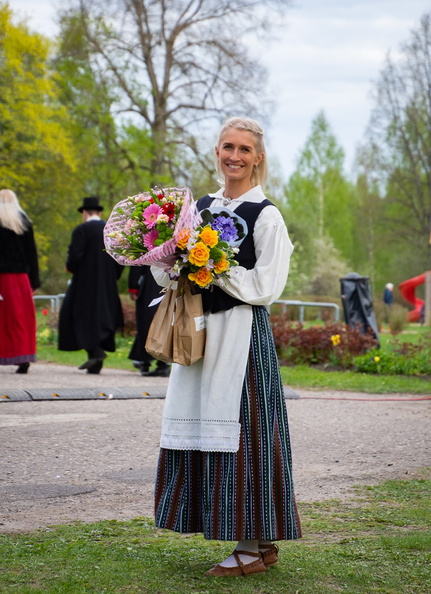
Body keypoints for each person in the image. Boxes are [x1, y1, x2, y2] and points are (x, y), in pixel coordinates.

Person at [151, 117, 301, 577]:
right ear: (216, 151)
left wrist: (215, 266)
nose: (234, 156)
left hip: (240, 334)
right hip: (200, 331)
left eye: (243, 149)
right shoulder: (198, 208)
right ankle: (257, 542)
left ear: (258, 157)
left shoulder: (266, 214)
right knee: (205, 426)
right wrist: (162, 253)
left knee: (247, 433)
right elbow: (173, 277)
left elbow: (267, 285)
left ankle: (252, 547)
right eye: (226, 147)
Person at [58, 196, 124, 374]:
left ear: (85, 213)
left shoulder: (82, 230)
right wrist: (112, 276)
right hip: (107, 283)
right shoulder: (111, 230)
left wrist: (71, 267)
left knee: (82, 316)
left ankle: (95, 353)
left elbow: (75, 257)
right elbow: (121, 258)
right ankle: (95, 361)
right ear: (100, 212)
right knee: (103, 316)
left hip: (85, 283)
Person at [0, 189, 40, 374]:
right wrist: (35, 281)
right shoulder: (23, 222)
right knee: (22, 319)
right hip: (21, 278)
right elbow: (32, 253)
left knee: (3, 319)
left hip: (2, 278)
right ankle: (23, 358)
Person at [128, 266, 170, 377]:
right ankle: (163, 363)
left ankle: (145, 361)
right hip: (168, 284)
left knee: (146, 323)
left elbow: (137, 264)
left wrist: (133, 286)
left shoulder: (148, 248)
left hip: (149, 285)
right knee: (164, 323)